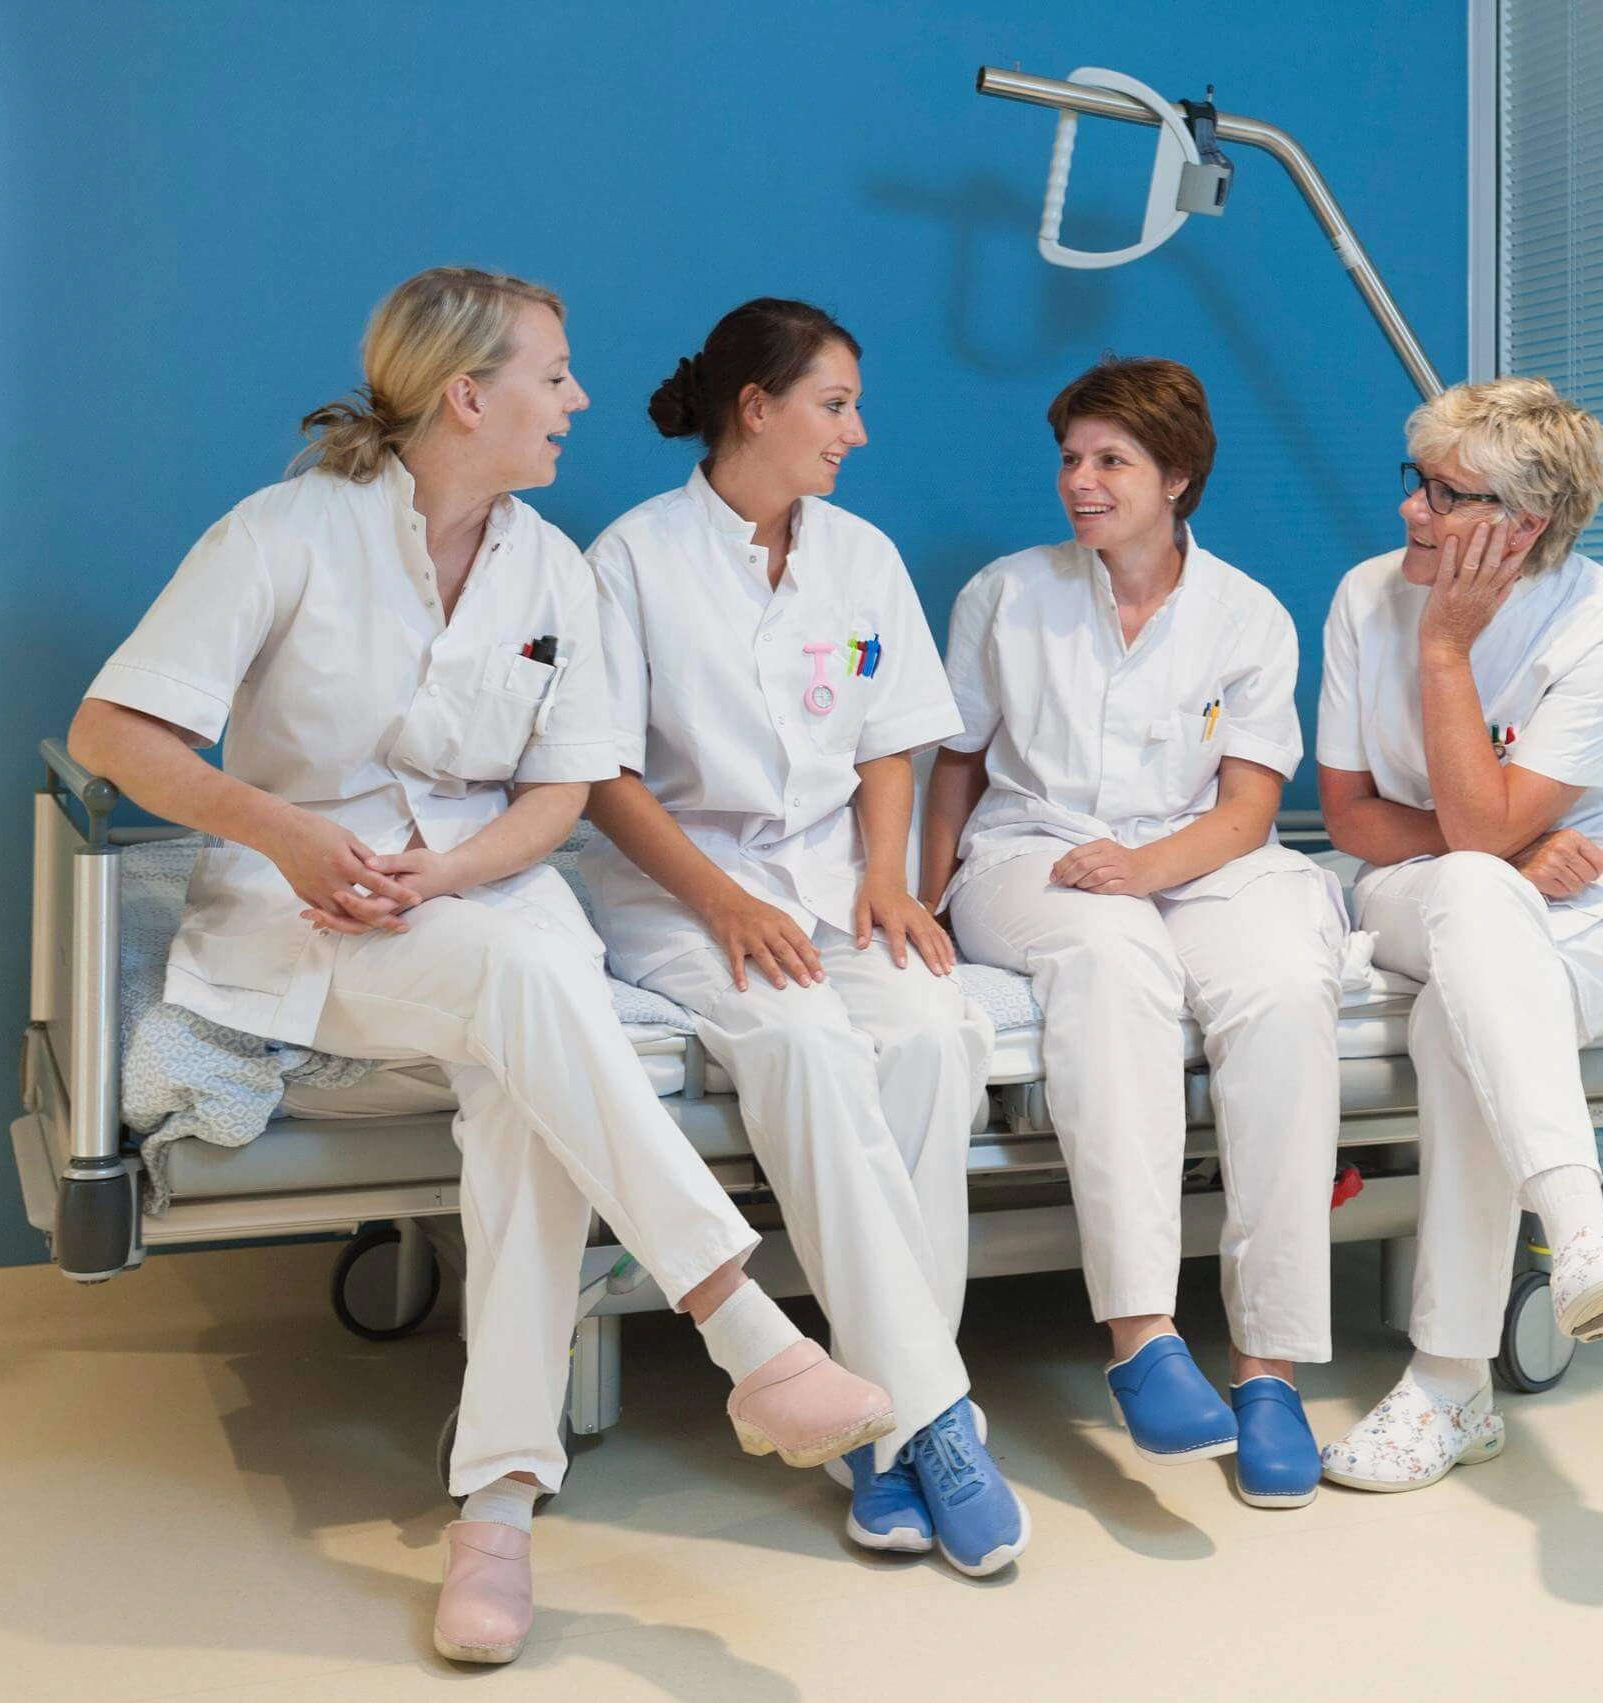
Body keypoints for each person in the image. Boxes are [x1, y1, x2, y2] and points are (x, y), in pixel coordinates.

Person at [65, 268, 895, 1666]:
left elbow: (560, 796)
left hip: (479, 898)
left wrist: (446, 872)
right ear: (468, 393)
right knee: (528, 989)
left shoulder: (550, 569)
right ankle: (746, 1329)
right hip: (306, 919)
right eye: (554, 375)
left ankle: (497, 1508)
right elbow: (113, 730)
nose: (578, 400)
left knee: (528, 1062)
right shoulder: (287, 533)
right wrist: (291, 833)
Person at [581, 297, 1027, 1576]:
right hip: (683, 888)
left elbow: (894, 735)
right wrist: (720, 900)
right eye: (834, 404)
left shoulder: (859, 553)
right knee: (806, 1048)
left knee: (937, 1032)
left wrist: (886, 879)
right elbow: (601, 771)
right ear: (755, 406)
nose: (857, 431)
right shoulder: (633, 557)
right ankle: (935, 1423)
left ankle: (880, 1427)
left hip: (834, 878)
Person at [921, 357, 1344, 1511]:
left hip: (1195, 857)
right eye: (1070, 457)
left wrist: (1148, 866)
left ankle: (1269, 1370)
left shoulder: (1245, 613)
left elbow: (1250, 808)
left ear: (1177, 476)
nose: (1080, 481)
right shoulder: (1007, 593)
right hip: (1031, 856)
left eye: (1110, 460)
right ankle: (1142, 1338)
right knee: (1114, 959)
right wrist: (921, 899)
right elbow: (954, 762)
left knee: (1285, 988)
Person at [1311, 376, 1603, 1493]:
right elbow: (1354, 819)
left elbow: (1489, 832)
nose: (1411, 513)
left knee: (1453, 1027)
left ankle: (1449, 1384)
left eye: (1447, 494)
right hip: (1415, 881)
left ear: (1521, 528)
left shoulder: (1598, 621)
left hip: (1598, 894)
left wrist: (1507, 838)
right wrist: (1442, 650)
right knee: (1479, 895)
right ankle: (1575, 1219)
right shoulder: (1365, 597)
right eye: (1414, 482)